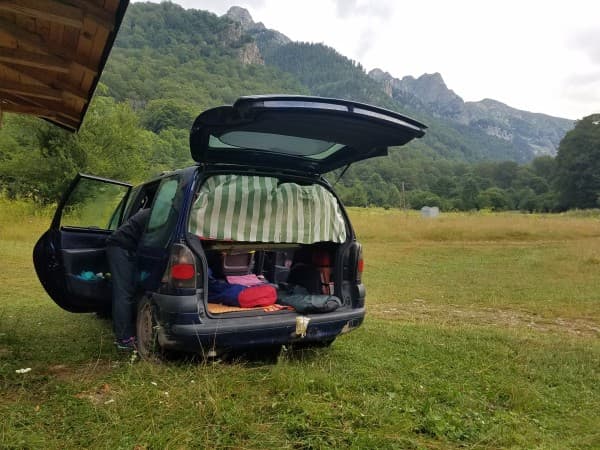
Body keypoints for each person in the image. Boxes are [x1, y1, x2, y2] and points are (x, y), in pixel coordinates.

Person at [106, 207, 151, 351]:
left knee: (129, 291)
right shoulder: (156, 215)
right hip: (120, 247)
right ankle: (124, 339)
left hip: (130, 248)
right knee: (123, 293)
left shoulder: (159, 212)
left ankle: (126, 330)